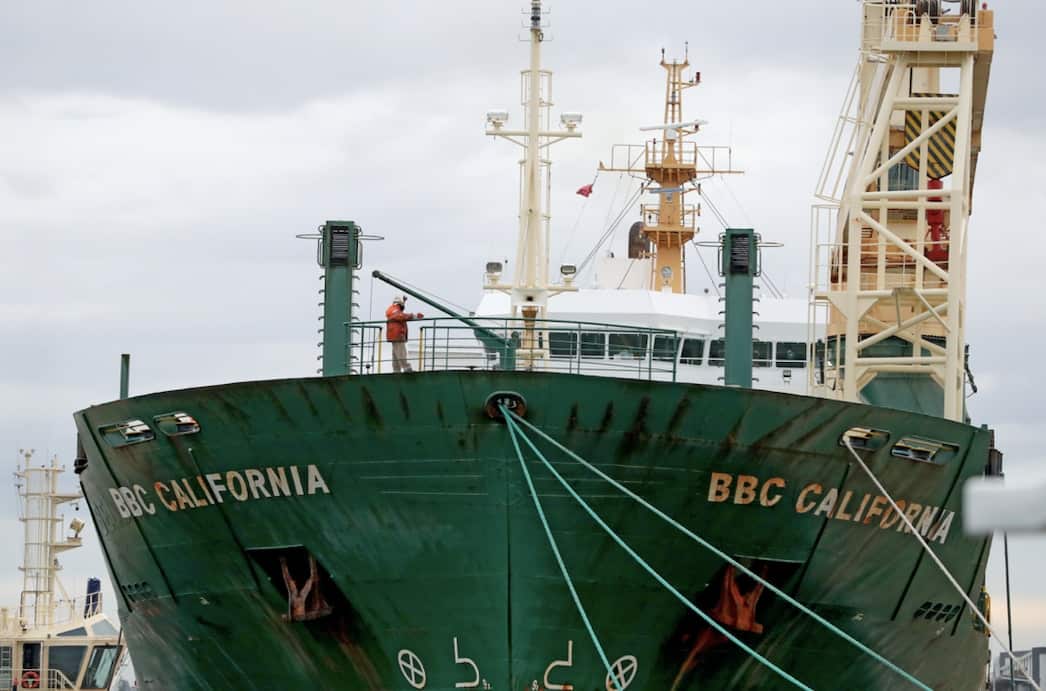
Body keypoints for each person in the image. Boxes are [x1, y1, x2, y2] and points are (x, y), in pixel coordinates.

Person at [385, 296, 423, 373]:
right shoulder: (394, 310)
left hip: (394, 334)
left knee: (396, 353)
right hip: (397, 334)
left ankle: (396, 370)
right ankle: (406, 368)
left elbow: (399, 314)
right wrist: (413, 316)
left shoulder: (394, 309)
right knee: (401, 352)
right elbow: (399, 316)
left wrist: (404, 303)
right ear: (399, 304)